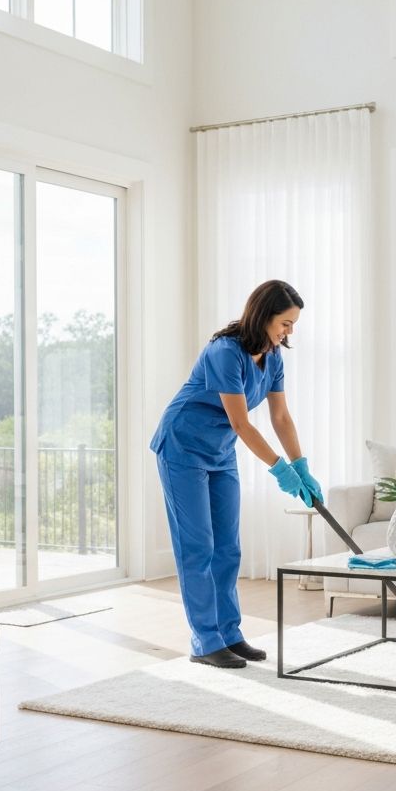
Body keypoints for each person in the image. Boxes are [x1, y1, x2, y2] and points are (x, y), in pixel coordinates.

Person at [150, 280, 323, 668]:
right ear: (263, 316)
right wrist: (280, 469)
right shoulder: (224, 352)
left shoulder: (274, 357)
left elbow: (280, 417)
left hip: (220, 451)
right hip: (183, 446)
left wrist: (302, 467)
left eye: (293, 324)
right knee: (199, 547)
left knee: (228, 547)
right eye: (285, 323)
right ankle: (205, 642)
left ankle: (229, 633)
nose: (289, 332)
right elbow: (242, 423)